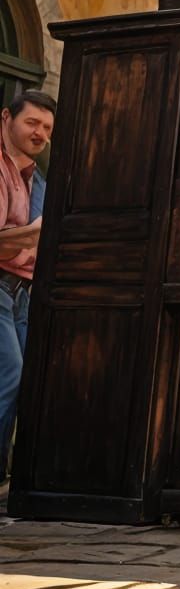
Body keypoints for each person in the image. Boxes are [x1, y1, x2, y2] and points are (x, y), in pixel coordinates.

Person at [0, 90, 52, 484]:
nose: (40, 134)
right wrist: (32, 234)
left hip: (22, 294)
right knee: (11, 375)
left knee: (27, 379)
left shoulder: (37, 179)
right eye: (32, 122)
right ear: (7, 118)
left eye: (47, 128)